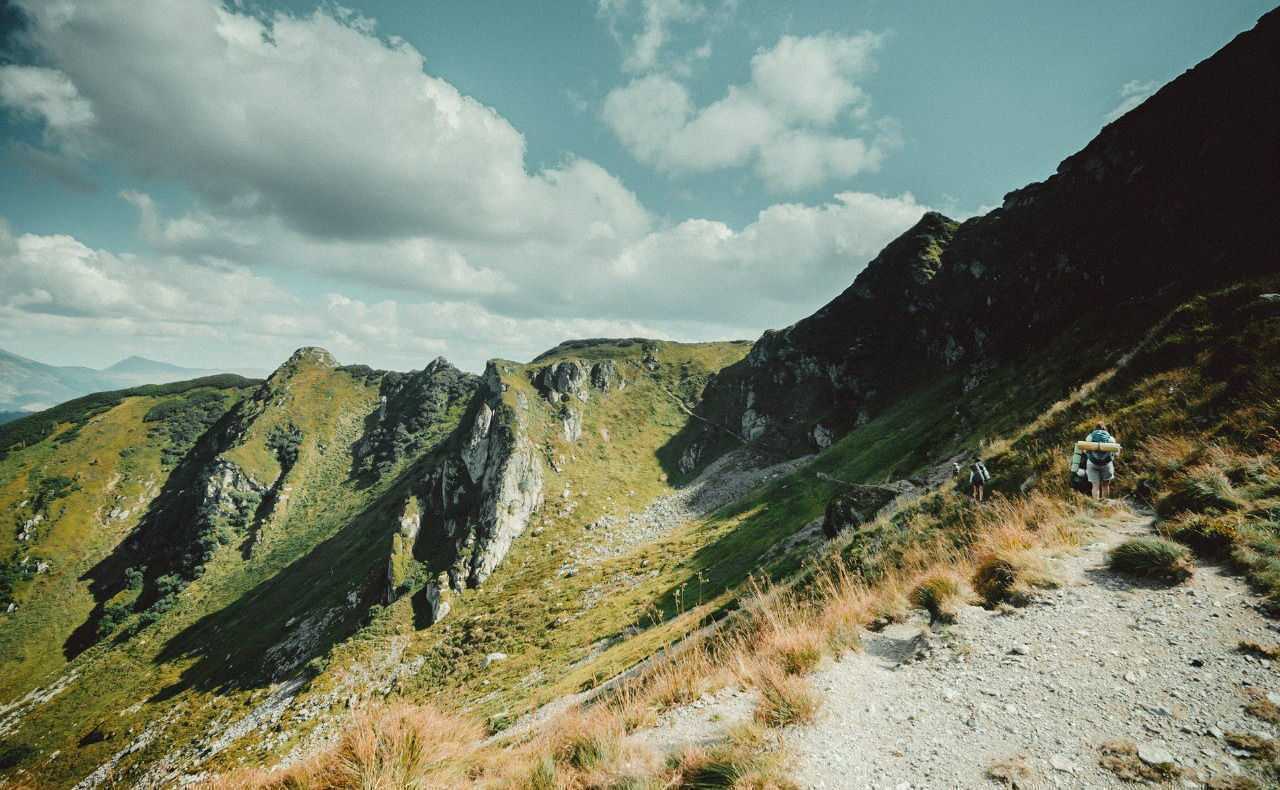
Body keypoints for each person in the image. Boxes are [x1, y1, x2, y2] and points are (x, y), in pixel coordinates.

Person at [1084, 423, 1118, 500]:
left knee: (1095, 486)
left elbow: (1085, 451)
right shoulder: (1110, 438)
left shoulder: (1090, 436)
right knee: (1105, 485)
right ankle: (1105, 503)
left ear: (1095, 429)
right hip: (1106, 464)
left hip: (1092, 463)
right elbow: (1116, 453)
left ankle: (1096, 503)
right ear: (1105, 429)